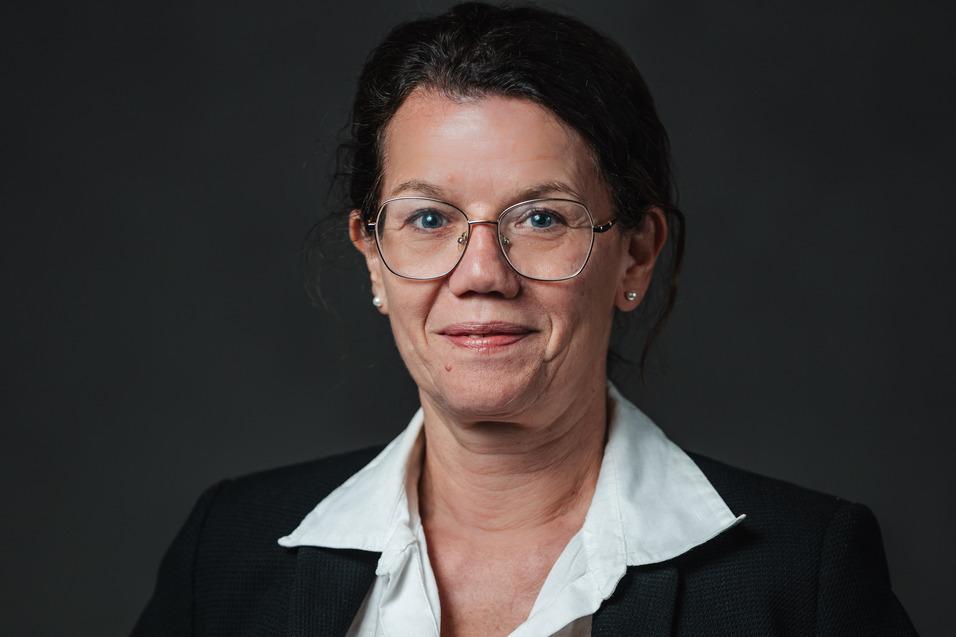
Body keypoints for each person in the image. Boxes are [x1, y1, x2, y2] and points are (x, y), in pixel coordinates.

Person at [131, 3, 917, 635]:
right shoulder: (226, 551)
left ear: (636, 254)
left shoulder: (803, 578)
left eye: (542, 218)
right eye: (429, 218)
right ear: (372, 255)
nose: (481, 273)